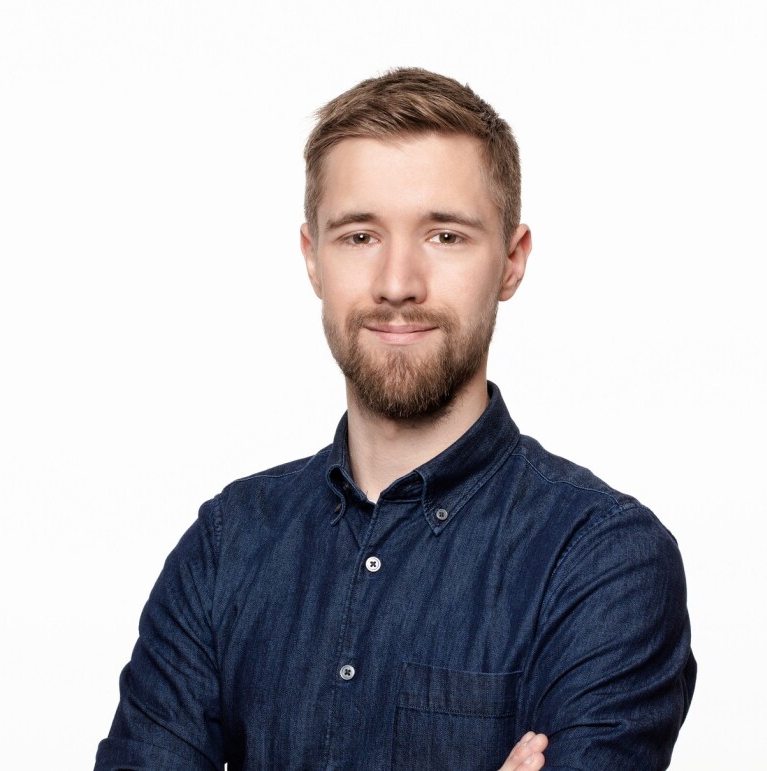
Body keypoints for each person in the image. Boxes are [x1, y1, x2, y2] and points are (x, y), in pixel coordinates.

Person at [95, 67, 696, 771]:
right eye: (359, 236)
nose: (397, 284)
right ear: (313, 259)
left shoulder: (603, 560)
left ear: (511, 261)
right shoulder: (227, 545)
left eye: (445, 235)